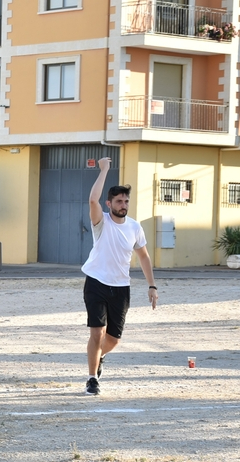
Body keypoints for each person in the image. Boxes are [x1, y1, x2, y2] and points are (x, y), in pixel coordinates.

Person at [81, 157, 158, 396]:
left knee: (113, 340)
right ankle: (92, 378)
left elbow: (144, 257)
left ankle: (99, 356)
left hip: (121, 287)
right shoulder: (101, 222)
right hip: (95, 282)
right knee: (97, 332)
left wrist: (152, 285)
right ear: (110, 203)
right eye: (119, 201)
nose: (123, 204)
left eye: (126, 201)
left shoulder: (134, 227)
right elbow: (92, 199)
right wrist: (104, 169)